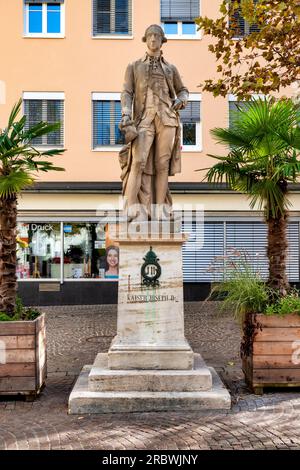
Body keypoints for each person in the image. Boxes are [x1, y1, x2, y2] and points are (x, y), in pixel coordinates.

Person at [119, 24, 189, 220]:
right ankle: (131, 209)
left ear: (161, 40)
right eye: (149, 36)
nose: (153, 39)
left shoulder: (170, 68)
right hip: (144, 119)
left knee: (162, 165)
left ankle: (161, 213)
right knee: (138, 162)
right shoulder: (134, 66)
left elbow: (183, 90)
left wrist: (181, 100)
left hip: (167, 119)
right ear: (145, 39)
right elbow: (127, 92)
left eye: (156, 36)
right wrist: (126, 113)